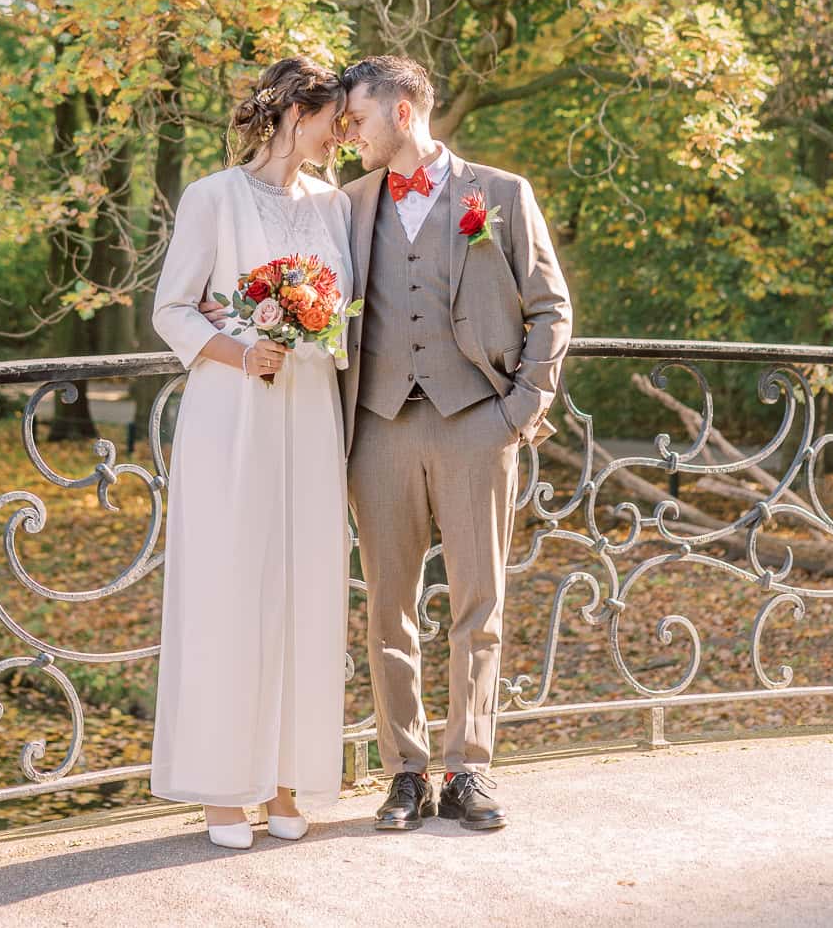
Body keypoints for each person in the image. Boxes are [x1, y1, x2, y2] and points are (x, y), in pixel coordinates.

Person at [339, 54, 572, 833]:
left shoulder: (499, 195)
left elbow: (551, 308)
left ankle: (468, 767)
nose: (350, 134)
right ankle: (406, 770)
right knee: (388, 608)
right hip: (378, 427)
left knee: (480, 602)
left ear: (402, 112)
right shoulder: (348, 204)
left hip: (478, 419)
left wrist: (519, 411)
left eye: (358, 118)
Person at [149, 56, 353, 850]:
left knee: (305, 583)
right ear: (292, 114)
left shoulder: (333, 205)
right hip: (232, 412)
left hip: (309, 413)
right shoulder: (212, 197)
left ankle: (287, 777)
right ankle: (224, 787)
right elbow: (171, 308)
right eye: (332, 117)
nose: (341, 132)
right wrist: (243, 352)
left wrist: (317, 330)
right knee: (231, 586)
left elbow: (345, 311)